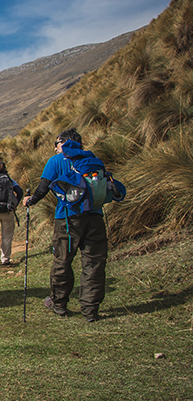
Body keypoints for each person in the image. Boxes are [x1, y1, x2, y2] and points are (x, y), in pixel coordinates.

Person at [24, 129, 124, 322]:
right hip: (95, 217)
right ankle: (90, 310)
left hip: (68, 218)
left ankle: (59, 304)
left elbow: (43, 187)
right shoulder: (93, 160)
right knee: (94, 263)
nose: (55, 147)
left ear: (64, 143)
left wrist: (30, 201)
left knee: (63, 260)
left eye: (57, 142)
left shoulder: (56, 161)